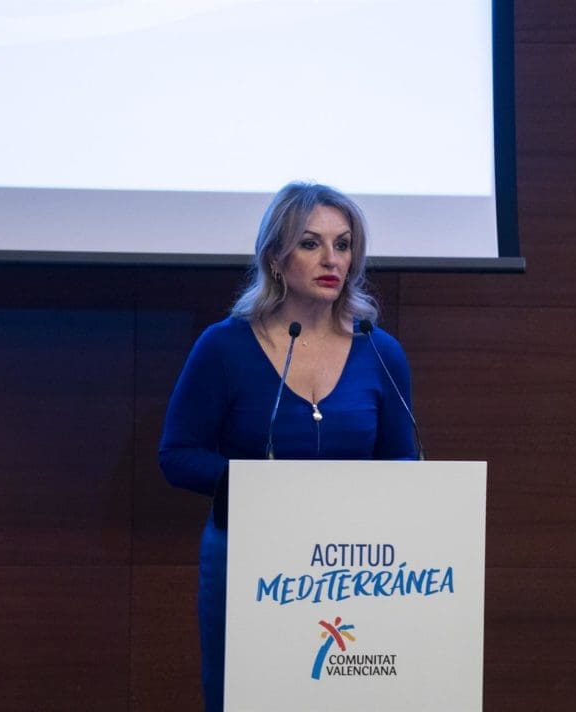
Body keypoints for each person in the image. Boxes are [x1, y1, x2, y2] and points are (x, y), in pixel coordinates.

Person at [158, 181, 418, 711]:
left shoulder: (380, 351)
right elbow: (178, 455)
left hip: (355, 567)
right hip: (250, 561)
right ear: (276, 257)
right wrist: (261, 486)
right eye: (310, 243)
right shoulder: (224, 346)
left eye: (343, 245)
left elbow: (403, 460)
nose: (331, 259)